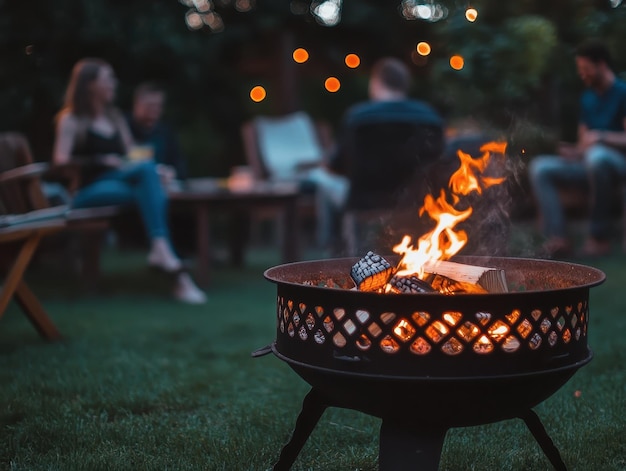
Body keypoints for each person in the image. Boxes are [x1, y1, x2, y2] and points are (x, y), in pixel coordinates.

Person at [52, 57, 206, 304]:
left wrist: (158, 172)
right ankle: (168, 260)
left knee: (148, 180)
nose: (114, 83)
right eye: (108, 78)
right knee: (149, 188)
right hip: (87, 192)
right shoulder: (71, 119)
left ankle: (164, 255)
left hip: (118, 185)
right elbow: (60, 162)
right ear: (90, 84)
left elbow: (133, 157)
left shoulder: (115, 118)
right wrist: (101, 160)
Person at [320, 57, 445, 253]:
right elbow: (439, 162)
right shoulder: (429, 117)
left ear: (376, 83)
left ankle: (334, 248)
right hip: (416, 202)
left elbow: (337, 165)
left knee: (322, 182)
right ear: (405, 85)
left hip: (364, 202)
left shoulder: (357, 117)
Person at [529, 39, 626, 257]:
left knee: (598, 157)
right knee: (540, 167)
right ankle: (559, 238)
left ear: (601, 64)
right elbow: (584, 141)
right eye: (579, 69)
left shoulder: (622, 93)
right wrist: (574, 151)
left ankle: (599, 237)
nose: (582, 74)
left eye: (585, 69)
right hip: (588, 162)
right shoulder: (587, 98)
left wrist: (600, 137)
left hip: (618, 164)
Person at [126, 82, 188, 182]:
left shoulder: (165, 132)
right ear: (136, 104)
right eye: (150, 105)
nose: (155, 110)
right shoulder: (122, 127)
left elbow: (180, 165)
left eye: (159, 105)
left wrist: (172, 172)